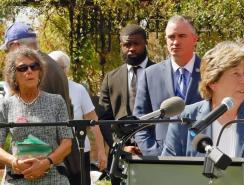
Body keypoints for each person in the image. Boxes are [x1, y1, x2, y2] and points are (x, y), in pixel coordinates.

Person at [162, 42, 244, 170]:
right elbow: (169, 164)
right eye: (236, 74)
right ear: (213, 81)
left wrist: (235, 174)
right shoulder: (185, 117)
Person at [0, 48, 73, 184]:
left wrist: (46, 163)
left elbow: (67, 143)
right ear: (13, 75)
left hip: (53, 174)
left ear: (40, 72)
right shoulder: (6, 105)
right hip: (18, 176)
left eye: (34, 66)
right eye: (22, 68)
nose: (29, 71)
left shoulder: (56, 101)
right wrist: (14, 162)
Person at [134, 15, 203, 156]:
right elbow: (140, 121)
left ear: (194, 39)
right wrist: (155, 154)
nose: (175, 42)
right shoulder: (150, 74)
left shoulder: (210, 71)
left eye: (182, 36)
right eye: (171, 37)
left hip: (202, 155)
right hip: (162, 157)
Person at [98, 24, 154, 185]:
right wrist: (120, 147)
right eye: (126, 45)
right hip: (121, 155)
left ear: (145, 44)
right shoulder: (111, 78)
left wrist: (149, 146)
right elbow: (104, 118)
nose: (131, 49)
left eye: (136, 44)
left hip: (154, 153)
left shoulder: (159, 72)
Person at [49, 50, 108, 185]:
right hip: (52, 152)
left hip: (79, 151)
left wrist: (101, 151)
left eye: (61, 67)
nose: (57, 71)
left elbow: (93, 121)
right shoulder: (43, 90)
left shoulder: (78, 89)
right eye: (53, 67)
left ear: (67, 69)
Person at [1, 22, 72, 118]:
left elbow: (34, 114)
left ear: (15, 45)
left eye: (8, 50)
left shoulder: (38, 68)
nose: (8, 55)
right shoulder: (49, 63)